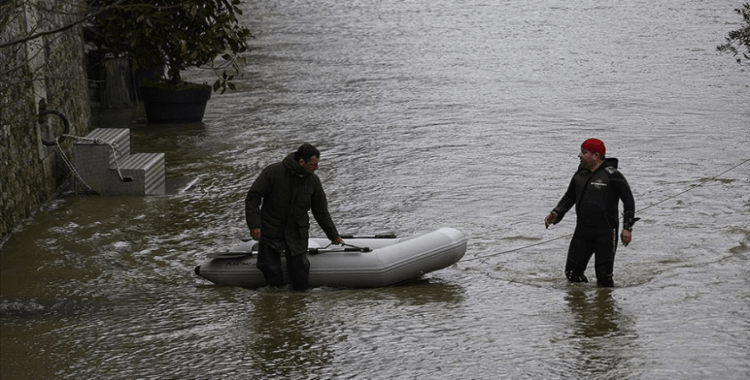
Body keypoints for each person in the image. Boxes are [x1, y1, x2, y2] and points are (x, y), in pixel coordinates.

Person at [245, 143, 344, 291]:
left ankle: (297, 304)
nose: (316, 168)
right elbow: (253, 197)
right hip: (271, 228)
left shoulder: (313, 181)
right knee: (268, 266)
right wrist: (255, 225)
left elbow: (321, 211)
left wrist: (333, 235)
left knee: (301, 271)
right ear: (302, 162)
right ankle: (276, 295)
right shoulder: (273, 172)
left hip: (297, 230)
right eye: (313, 164)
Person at [544, 138, 638, 287]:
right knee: (572, 274)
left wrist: (627, 227)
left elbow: (629, 200)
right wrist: (556, 213)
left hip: (606, 232)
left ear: (596, 155)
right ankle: (583, 305)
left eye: (583, 152)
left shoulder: (612, 174)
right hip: (582, 232)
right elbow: (570, 196)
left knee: (604, 278)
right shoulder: (580, 173)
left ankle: (605, 308)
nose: (579, 155)